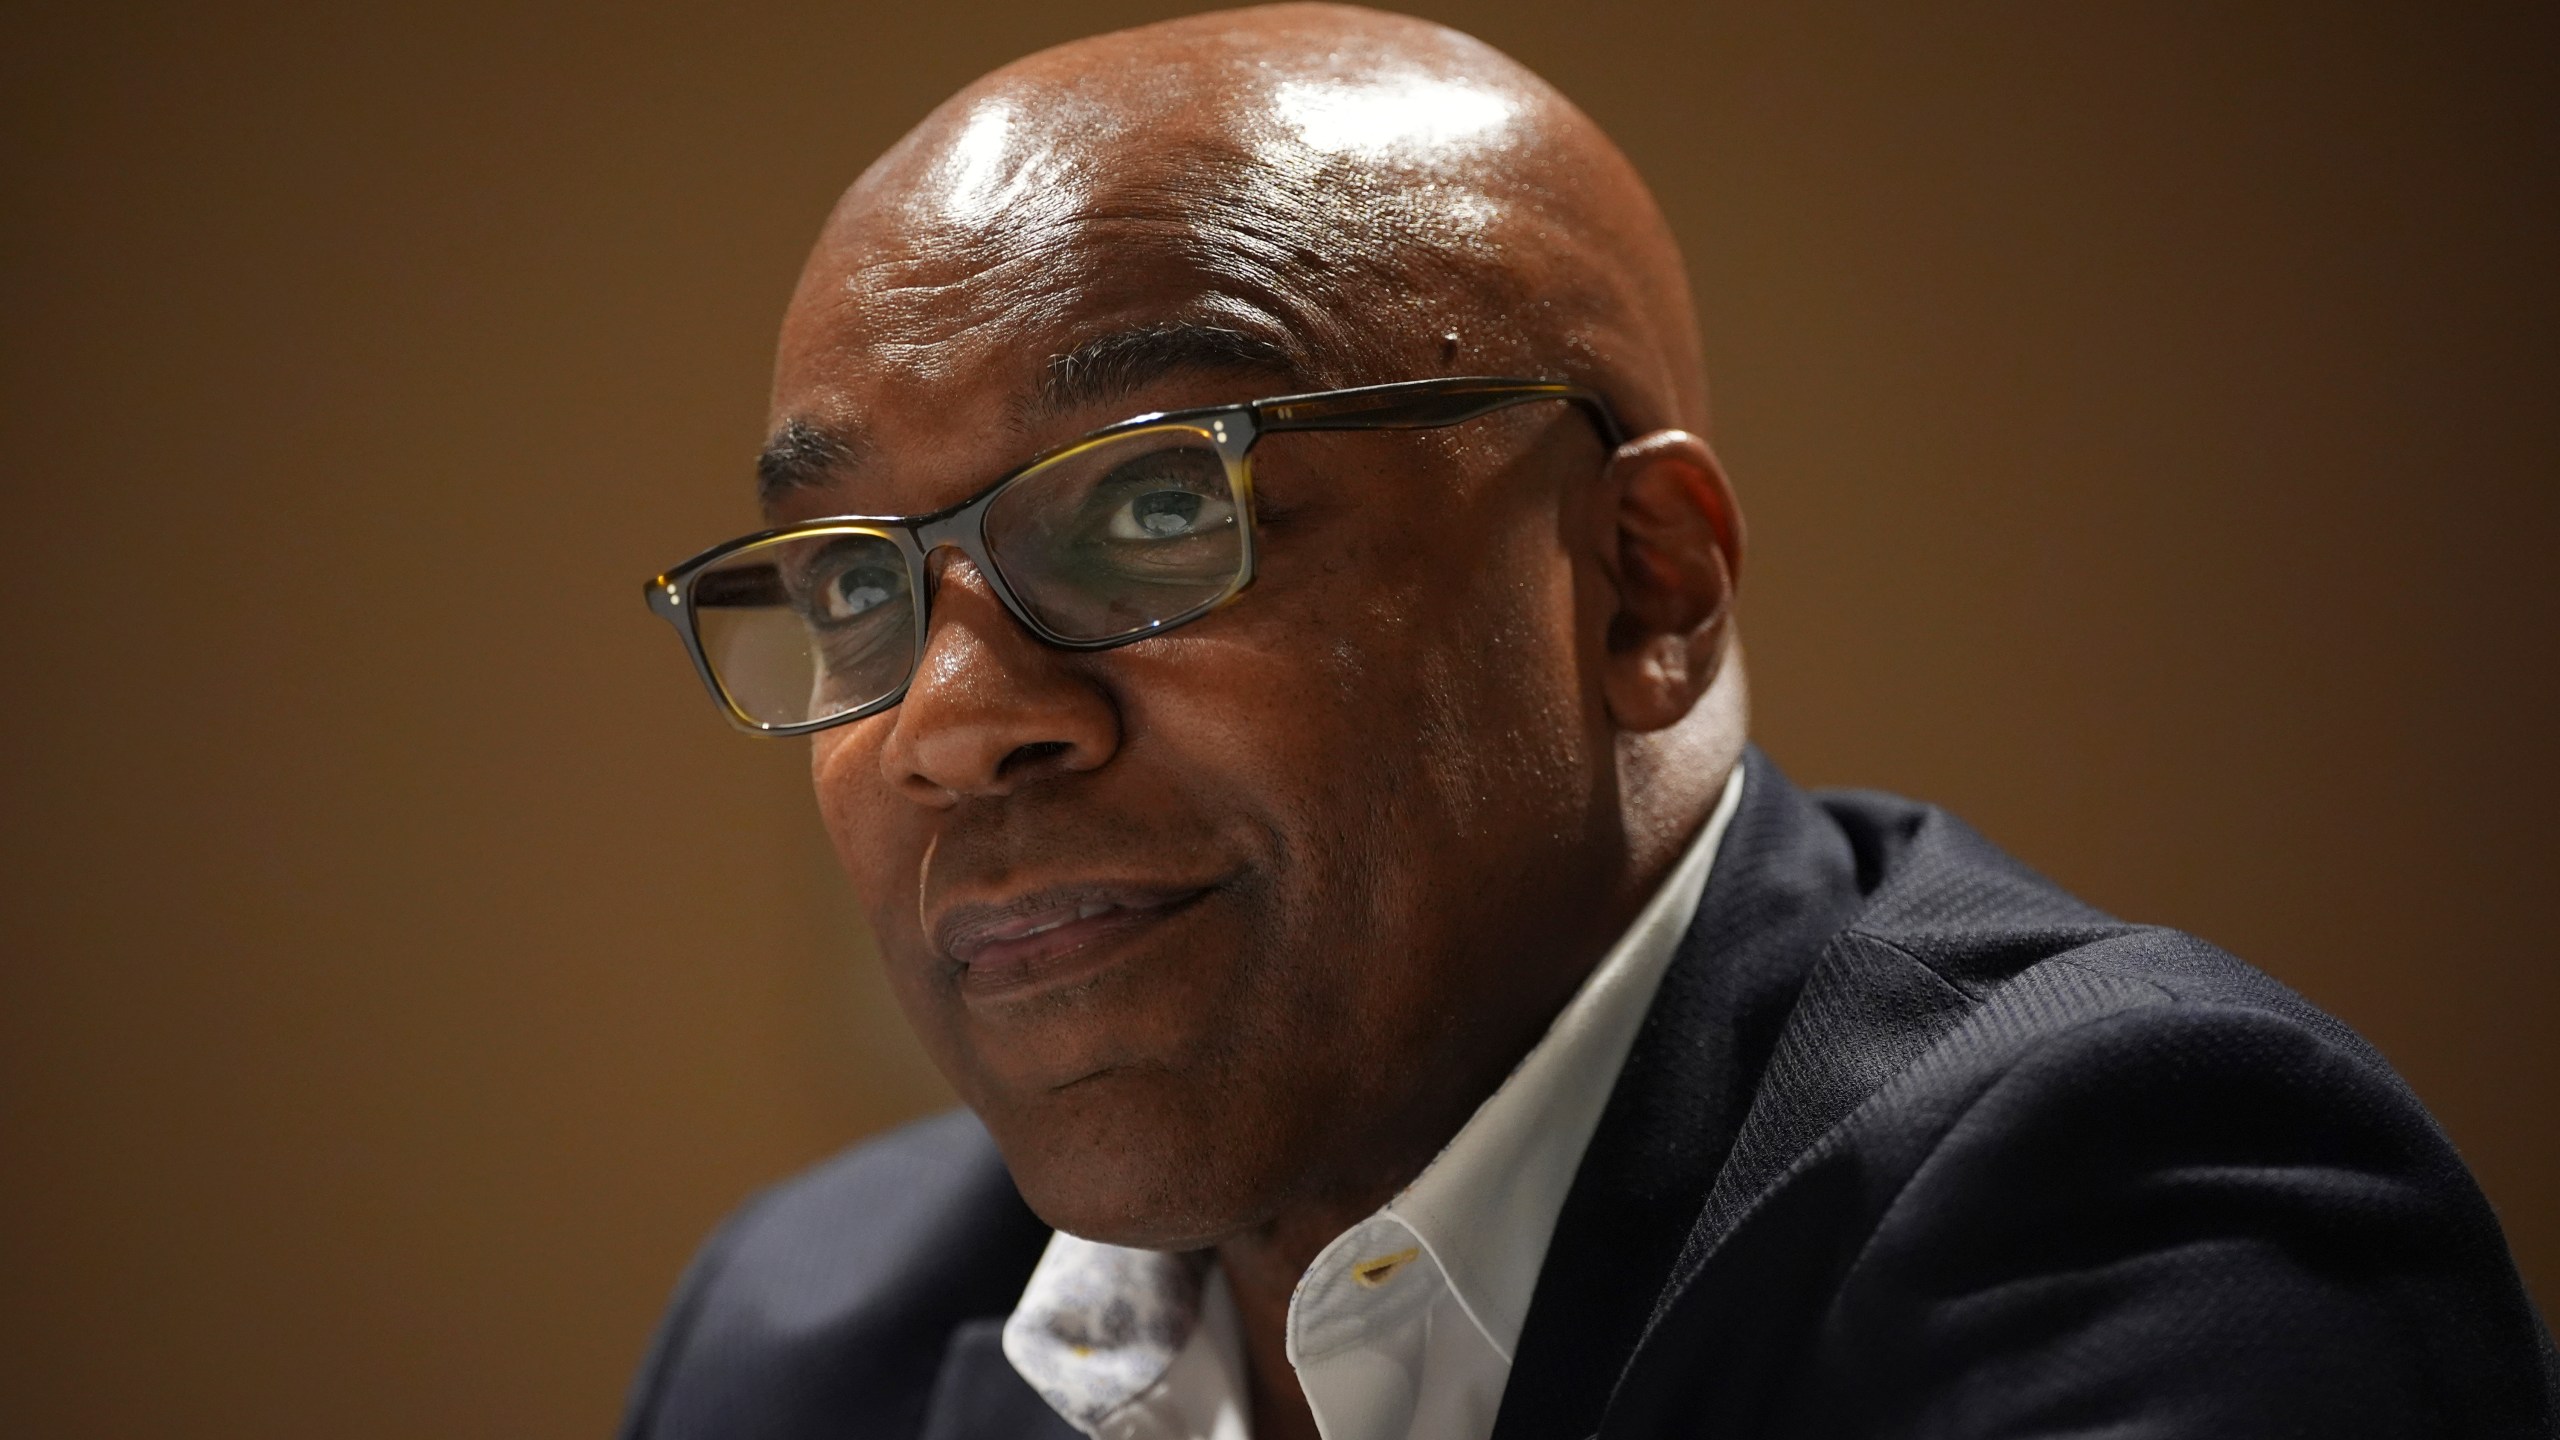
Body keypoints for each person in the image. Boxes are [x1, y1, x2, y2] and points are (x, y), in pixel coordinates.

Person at [619, 6, 2558, 1437]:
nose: (951, 724)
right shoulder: (799, 1342)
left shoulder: (2123, 1223)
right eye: (854, 581)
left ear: (1644, 580)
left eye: (1150, 507)